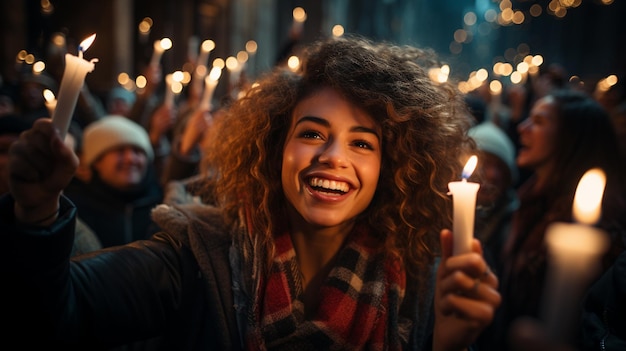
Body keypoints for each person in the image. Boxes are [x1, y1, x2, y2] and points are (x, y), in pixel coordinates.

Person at [0, 35, 500, 350]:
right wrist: (39, 212)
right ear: (273, 147)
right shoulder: (193, 255)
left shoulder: (423, 285)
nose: (333, 156)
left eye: (362, 142)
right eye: (311, 133)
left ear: (390, 167)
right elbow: (54, 317)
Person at [489, 89, 626, 350]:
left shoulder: (600, 226)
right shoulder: (528, 202)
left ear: (571, 139)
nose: (522, 128)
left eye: (539, 122)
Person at [0, 114, 102, 256]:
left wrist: (40, 212)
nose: (13, 158)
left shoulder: (73, 232)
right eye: (3, 150)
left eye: (19, 151)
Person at [63, 115, 163, 247]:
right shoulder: (73, 212)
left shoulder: (162, 203)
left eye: (138, 151)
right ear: (97, 161)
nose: (130, 159)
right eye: (120, 151)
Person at [467, 121, 519, 273]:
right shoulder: (437, 216)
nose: (492, 174)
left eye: (500, 167)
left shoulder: (513, 225)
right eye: (483, 163)